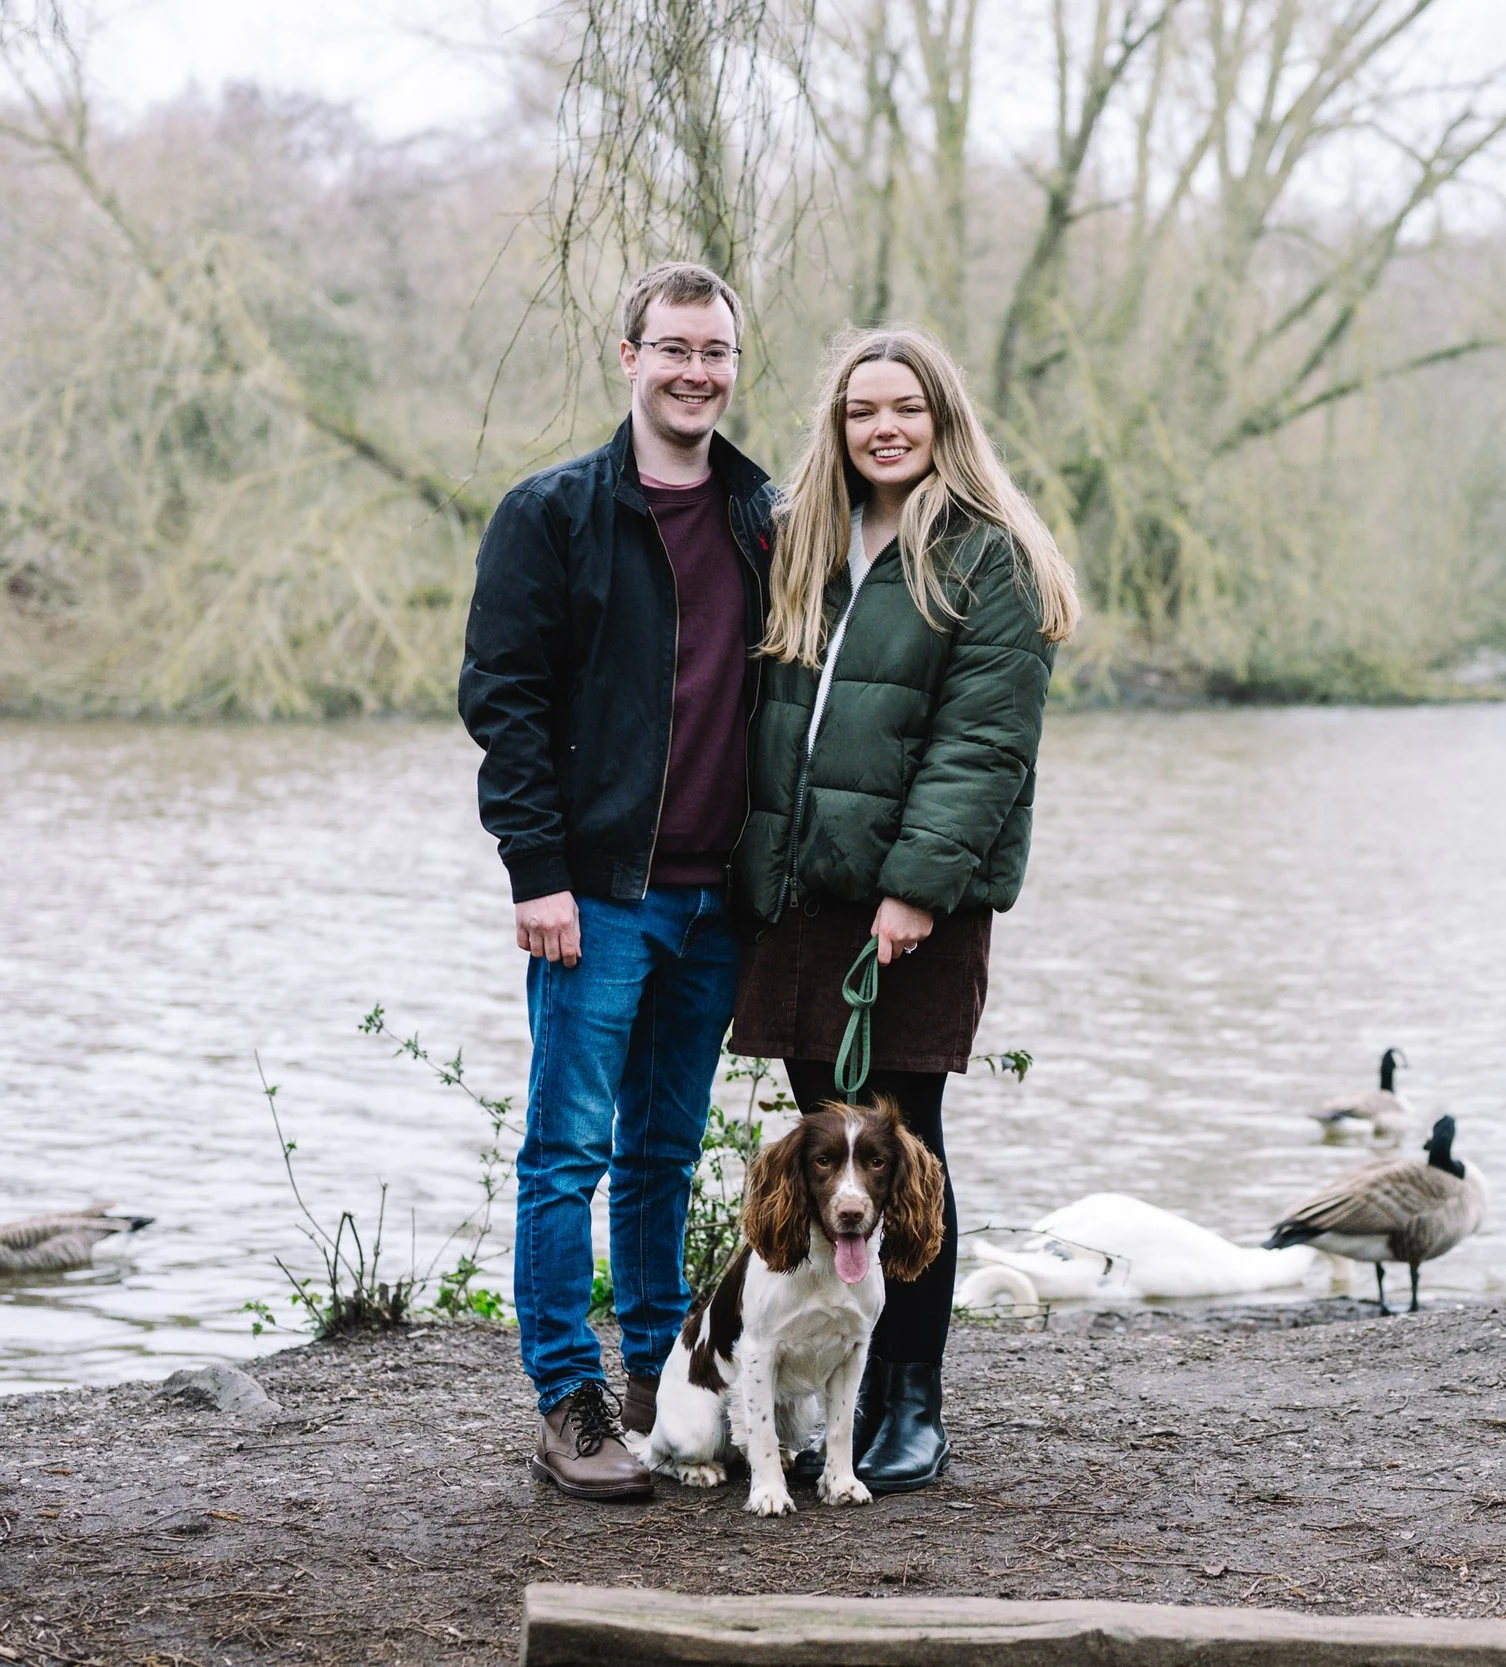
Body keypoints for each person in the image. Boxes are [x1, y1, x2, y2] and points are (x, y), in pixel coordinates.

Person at [727, 326, 1078, 1493]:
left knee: (901, 1150)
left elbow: (983, 743)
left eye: (906, 408)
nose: (884, 428)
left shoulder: (987, 557)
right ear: (837, 427)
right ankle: (835, 1397)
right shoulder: (805, 542)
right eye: (861, 410)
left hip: (913, 905)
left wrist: (916, 888)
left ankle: (911, 1400)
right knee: (828, 1147)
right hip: (804, 897)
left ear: (943, 420)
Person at [459, 262, 776, 1500]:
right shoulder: (552, 514)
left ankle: (658, 1376)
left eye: (716, 351)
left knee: (663, 1153)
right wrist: (536, 870)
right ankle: (566, 1400)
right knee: (564, 1155)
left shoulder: (765, 515)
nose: (697, 371)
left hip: (715, 901)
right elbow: (504, 701)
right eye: (674, 348)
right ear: (631, 357)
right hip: (594, 894)